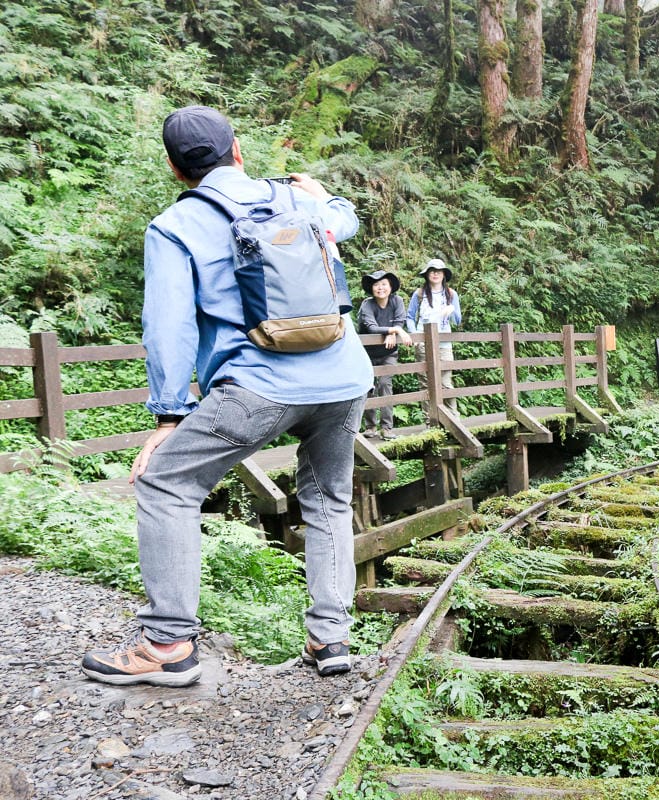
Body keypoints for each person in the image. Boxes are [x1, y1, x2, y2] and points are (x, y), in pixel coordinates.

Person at [81, 105, 373, 687]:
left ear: (174, 168)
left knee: (166, 482)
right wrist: (321, 193)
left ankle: (167, 644)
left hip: (258, 386)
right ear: (237, 149)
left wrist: (168, 415)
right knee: (328, 500)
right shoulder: (295, 200)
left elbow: (168, 328)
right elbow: (347, 220)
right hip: (344, 377)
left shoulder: (175, 226)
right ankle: (330, 638)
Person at [358, 269, 412, 439]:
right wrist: (394, 330)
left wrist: (393, 331)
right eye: (376, 284)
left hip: (389, 353)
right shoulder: (367, 304)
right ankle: (370, 427)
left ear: (390, 287)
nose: (380, 288)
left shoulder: (397, 301)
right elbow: (372, 328)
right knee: (368, 387)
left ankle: (387, 428)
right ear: (372, 288)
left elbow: (399, 320)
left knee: (385, 384)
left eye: (383, 284)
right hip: (367, 353)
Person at [406, 258, 462, 415]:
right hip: (423, 343)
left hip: (444, 344)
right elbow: (410, 317)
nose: (435, 274)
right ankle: (430, 421)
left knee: (445, 383)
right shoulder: (419, 293)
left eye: (439, 271)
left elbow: (458, 321)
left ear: (444, 274)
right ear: (427, 274)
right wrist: (414, 335)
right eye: (432, 271)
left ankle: (453, 419)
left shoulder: (451, 294)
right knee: (426, 383)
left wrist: (451, 309)